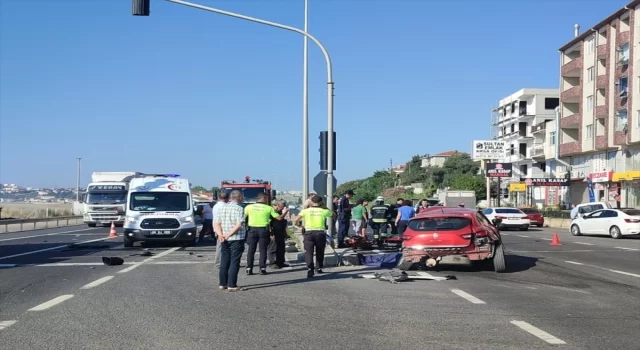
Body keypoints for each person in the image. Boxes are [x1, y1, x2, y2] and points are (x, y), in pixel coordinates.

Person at [244, 193, 288, 275]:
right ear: (264, 198)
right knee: (263, 250)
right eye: (267, 199)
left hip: (252, 230)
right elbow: (279, 218)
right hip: (263, 230)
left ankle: (249, 268)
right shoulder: (268, 208)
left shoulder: (248, 207)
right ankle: (262, 268)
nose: (268, 200)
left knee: (251, 250)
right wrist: (285, 212)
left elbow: (243, 218)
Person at [293, 195, 336, 278]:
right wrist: (324, 207)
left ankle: (310, 269)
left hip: (309, 233)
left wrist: (300, 226)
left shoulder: (306, 211)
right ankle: (318, 268)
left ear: (311, 201)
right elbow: (333, 215)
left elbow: (295, 220)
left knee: (309, 252)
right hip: (320, 233)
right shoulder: (323, 211)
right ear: (320, 202)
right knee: (320, 251)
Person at [214, 190, 246, 292]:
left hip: (223, 238)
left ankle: (222, 283)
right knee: (234, 261)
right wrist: (229, 234)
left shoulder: (222, 208)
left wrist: (220, 235)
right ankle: (232, 284)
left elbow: (217, 223)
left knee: (224, 261)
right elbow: (239, 224)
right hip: (236, 238)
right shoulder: (239, 209)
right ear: (240, 197)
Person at [268, 200, 290, 269]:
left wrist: (285, 233)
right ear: (277, 205)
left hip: (281, 232)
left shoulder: (281, 212)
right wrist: (271, 233)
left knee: (281, 248)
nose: (282, 209)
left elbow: (283, 222)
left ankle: (280, 262)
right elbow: (271, 223)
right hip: (274, 232)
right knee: (273, 248)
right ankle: (272, 263)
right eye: (281, 207)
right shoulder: (272, 212)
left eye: (283, 207)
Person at [212, 192, 229, 268]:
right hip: (223, 228)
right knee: (222, 246)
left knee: (220, 246)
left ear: (219, 198)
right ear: (227, 198)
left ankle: (218, 262)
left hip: (216, 228)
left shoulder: (216, 206)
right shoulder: (226, 206)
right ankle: (219, 263)